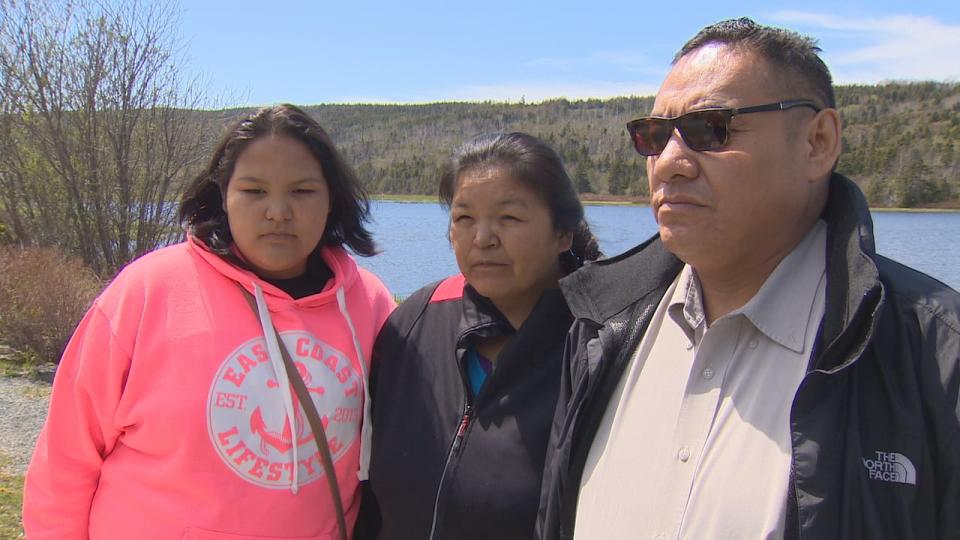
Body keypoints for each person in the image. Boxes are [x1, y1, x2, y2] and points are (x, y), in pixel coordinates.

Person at [537, 17, 960, 540]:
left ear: (817, 143)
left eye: (710, 128)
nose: (669, 163)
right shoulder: (601, 327)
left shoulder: (933, 354)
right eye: (653, 136)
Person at [22, 104, 396, 539]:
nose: (277, 211)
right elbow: (67, 458)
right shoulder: (148, 291)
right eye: (254, 191)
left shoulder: (369, 305)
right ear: (223, 196)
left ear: (331, 199)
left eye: (302, 191)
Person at [356, 132, 600, 539]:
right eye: (464, 218)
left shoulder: (598, 343)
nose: (482, 238)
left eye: (509, 218)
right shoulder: (417, 320)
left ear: (564, 233)